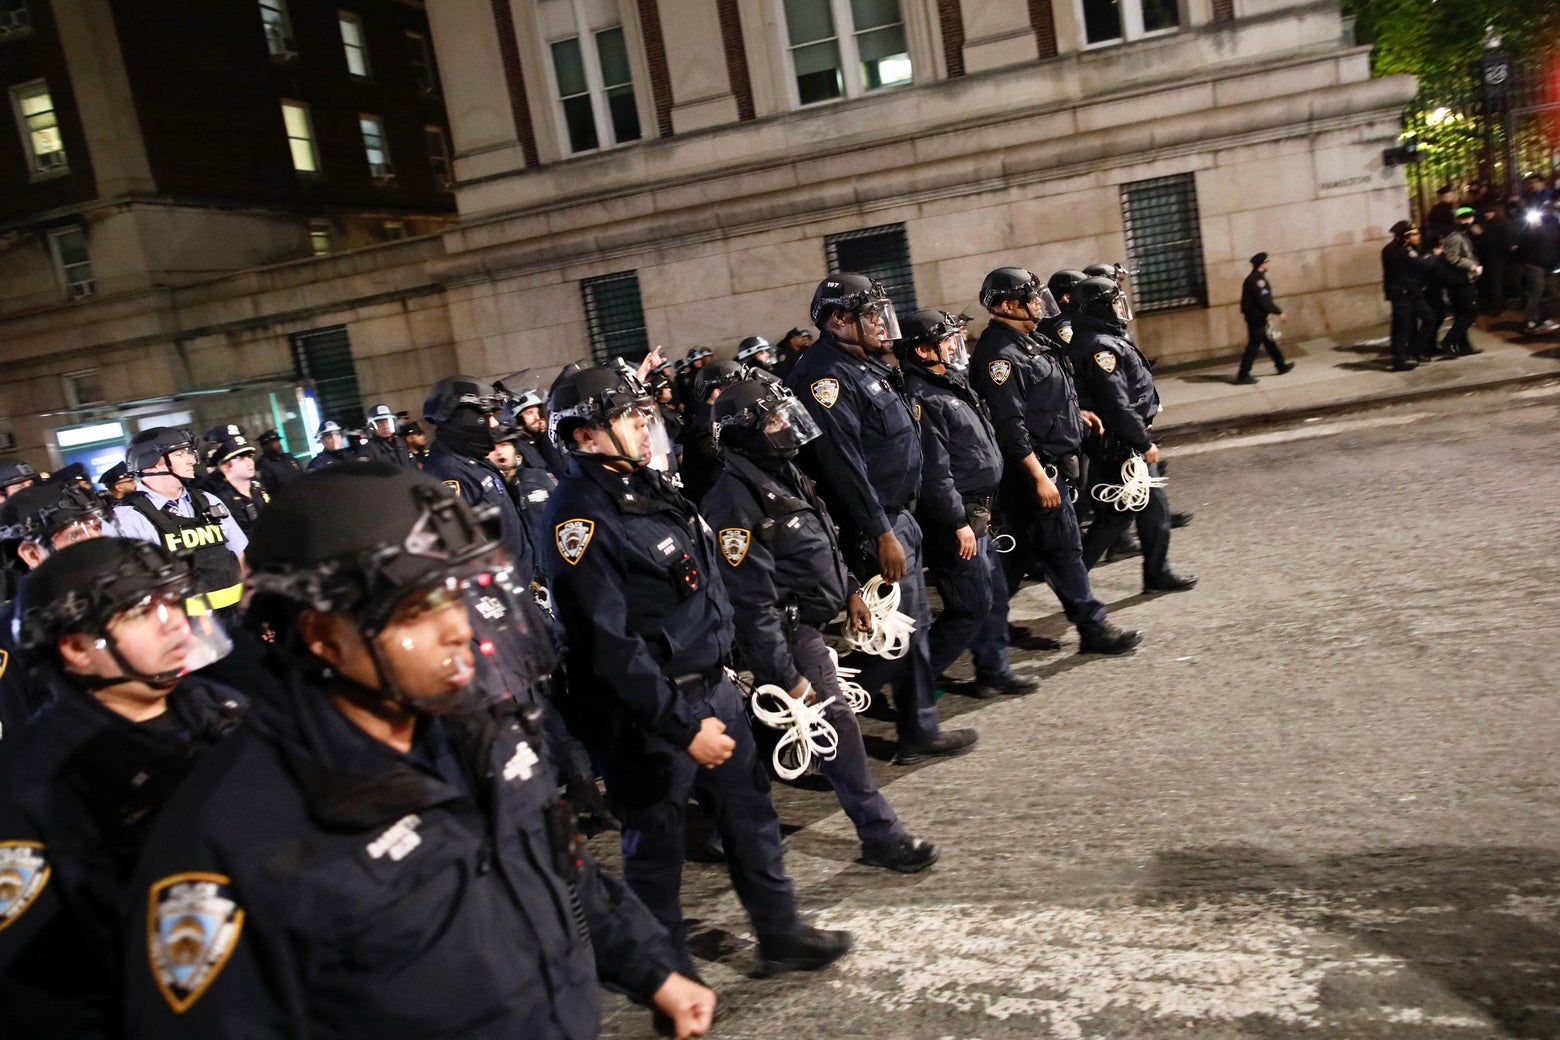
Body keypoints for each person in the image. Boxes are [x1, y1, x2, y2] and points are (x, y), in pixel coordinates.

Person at [120, 465, 714, 1038]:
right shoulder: (228, 837)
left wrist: (651, 967)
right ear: (325, 636)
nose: (459, 629)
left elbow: (561, 866)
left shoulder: (480, 728)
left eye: (459, 595)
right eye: (417, 608)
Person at [541, 363, 853, 979]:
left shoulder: (650, 487)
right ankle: (667, 974)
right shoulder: (577, 518)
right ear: (584, 436)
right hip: (651, 719)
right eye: (626, 416)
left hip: (713, 691)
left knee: (751, 818)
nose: (642, 422)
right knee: (655, 849)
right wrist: (683, 729)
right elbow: (610, 647)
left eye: (640, 412)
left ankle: (780, 931)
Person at [0, 537, 244, 1038]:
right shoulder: (33, 783)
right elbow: (40, 985)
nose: (173, 621)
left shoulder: (226, 710)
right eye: (139, 611)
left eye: (172, 601)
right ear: (75, 647)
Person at [701, 377, 939, 871]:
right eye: (771, 422)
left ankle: (729, 827)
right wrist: (788, 676)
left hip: (808, 617)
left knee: (755, 740)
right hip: (784, 631)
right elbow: (751, 604)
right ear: (744, 435)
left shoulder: (784, 472)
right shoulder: (733, 502)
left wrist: (850, 589)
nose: (785, 426)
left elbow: (822, 540)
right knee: (837, 723)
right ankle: (880, 834)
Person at [786, 274, 978, 765]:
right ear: (837, 321)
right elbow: (843, 468)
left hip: (897, 518)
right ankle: (807, 732)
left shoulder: (863, 365)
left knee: (907, 628)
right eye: (868, 314)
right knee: (884, 639)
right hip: (874, 526)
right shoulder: (822, 377)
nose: (879, 323)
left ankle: (917, 730)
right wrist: (881, 532)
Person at [969, 270, 1144, 654]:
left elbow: (1041, 396)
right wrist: (1038, 476)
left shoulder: (1028, 341)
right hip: (1036, 471)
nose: (1038, 304)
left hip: (1053, 464)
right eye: (1030, 298)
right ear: (1007, 306)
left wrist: (1074, 413)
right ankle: (1092, 627)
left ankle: (985, 628)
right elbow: (1009, 425)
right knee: (1064, 551)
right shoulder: (1001, 355)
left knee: (1017, 559)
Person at [897, 309, 1036, 696]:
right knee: (969, 605)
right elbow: (935, 474)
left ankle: (994, 670)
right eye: (946, 340)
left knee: (992, 598)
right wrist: (958, 521)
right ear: (923, 350)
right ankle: (919, 687)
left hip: (979, 511)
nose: (956, 345)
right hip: (957, 520)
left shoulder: (949, 383)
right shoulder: (921, 396)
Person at [1067, 277, 1198, 594]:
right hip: (1120, 443)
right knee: (1118, 515)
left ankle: (1156, 572)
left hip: (1121, 440)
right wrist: (1142, 442)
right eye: (1113, 302)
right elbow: (1115, 404)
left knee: (1147, 509)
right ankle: (1071, 579)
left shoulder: (1103, 338)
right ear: (1098, 307)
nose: (1118, 308)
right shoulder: (1099, 347)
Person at [0, 482, 114, 740]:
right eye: (75, 535)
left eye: (95, 527)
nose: (95, 542)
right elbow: (21, 735)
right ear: (31, 553)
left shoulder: (118, 600)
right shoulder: (11, 637)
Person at [112, 427, 247, 618]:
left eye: (188, 452)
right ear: (153, 463)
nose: (191, 459)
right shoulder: (128, 518)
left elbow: (242, 558)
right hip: (186, 628)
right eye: (180, 454)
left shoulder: (209, 500)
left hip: (239, 617)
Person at [422, 375, 536, 586]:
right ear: (464, 416)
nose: (494, 422)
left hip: (521, 588)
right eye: (488, 414)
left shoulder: (470, 462)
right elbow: (463, 555)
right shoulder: (449, 472)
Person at [676, 359, 745, 503]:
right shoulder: (707, 427)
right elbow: (723, 471)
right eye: (735, 386)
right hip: (714, 503)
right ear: (717, 392)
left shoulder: (721, 418)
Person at [1381, 221, 1441, 369]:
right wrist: (1435, 255)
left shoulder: (1400, 248)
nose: (1417, 236)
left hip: (1410, 292)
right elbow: (1423, 265)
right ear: (1404, 237)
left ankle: (1414, 350)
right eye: (1413, 234)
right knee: (1402, 327)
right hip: (1403, 294)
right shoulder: (1400, 251)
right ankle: (1400, 360)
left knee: (1428, 319)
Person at [1234, 252, 1293, 384]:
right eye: (1266, 262)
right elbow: (1264, 301)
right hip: (1256, 318)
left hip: (1257, 316)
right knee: (1253, 345)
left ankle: (1281, 365)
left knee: (1269, 342)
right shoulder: (1257, 280)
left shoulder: (1256, 278)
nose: (1267, 264)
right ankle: (1243, 374)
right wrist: (1279, 312)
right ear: (1261, 264)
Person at [1437, 208, 1483, 356]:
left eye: (1469, 217)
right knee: (1470, 312)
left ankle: (1464, 346)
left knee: (1461, 313)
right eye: (1464, 218)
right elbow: (1451, 257)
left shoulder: (1464, 235)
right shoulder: (1455, 237)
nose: (1467, 221)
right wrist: (1471, 266)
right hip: (1459, 280)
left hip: (1462, 279)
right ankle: (1448, 340)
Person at [202, 435, 269, 534]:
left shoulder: (257, 486)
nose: (249, 462)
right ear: (225, 466)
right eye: (241, 458)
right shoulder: (219, 498)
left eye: (250, 456)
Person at [1516, 204, 1560, 336]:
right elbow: (1523, 244)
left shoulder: (1551, 227)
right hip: (1536, 265)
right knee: (1537, 291)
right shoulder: (1534, 230)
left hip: (1549, 264)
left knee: (1552, 293)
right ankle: (1531, 321)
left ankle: (1540, 317)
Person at [358, 403, 414, 468]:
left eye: (387, 422)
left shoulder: (402, 442)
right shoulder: (368, 449)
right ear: (372, 427)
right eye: (380, 423)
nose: (385, 426)